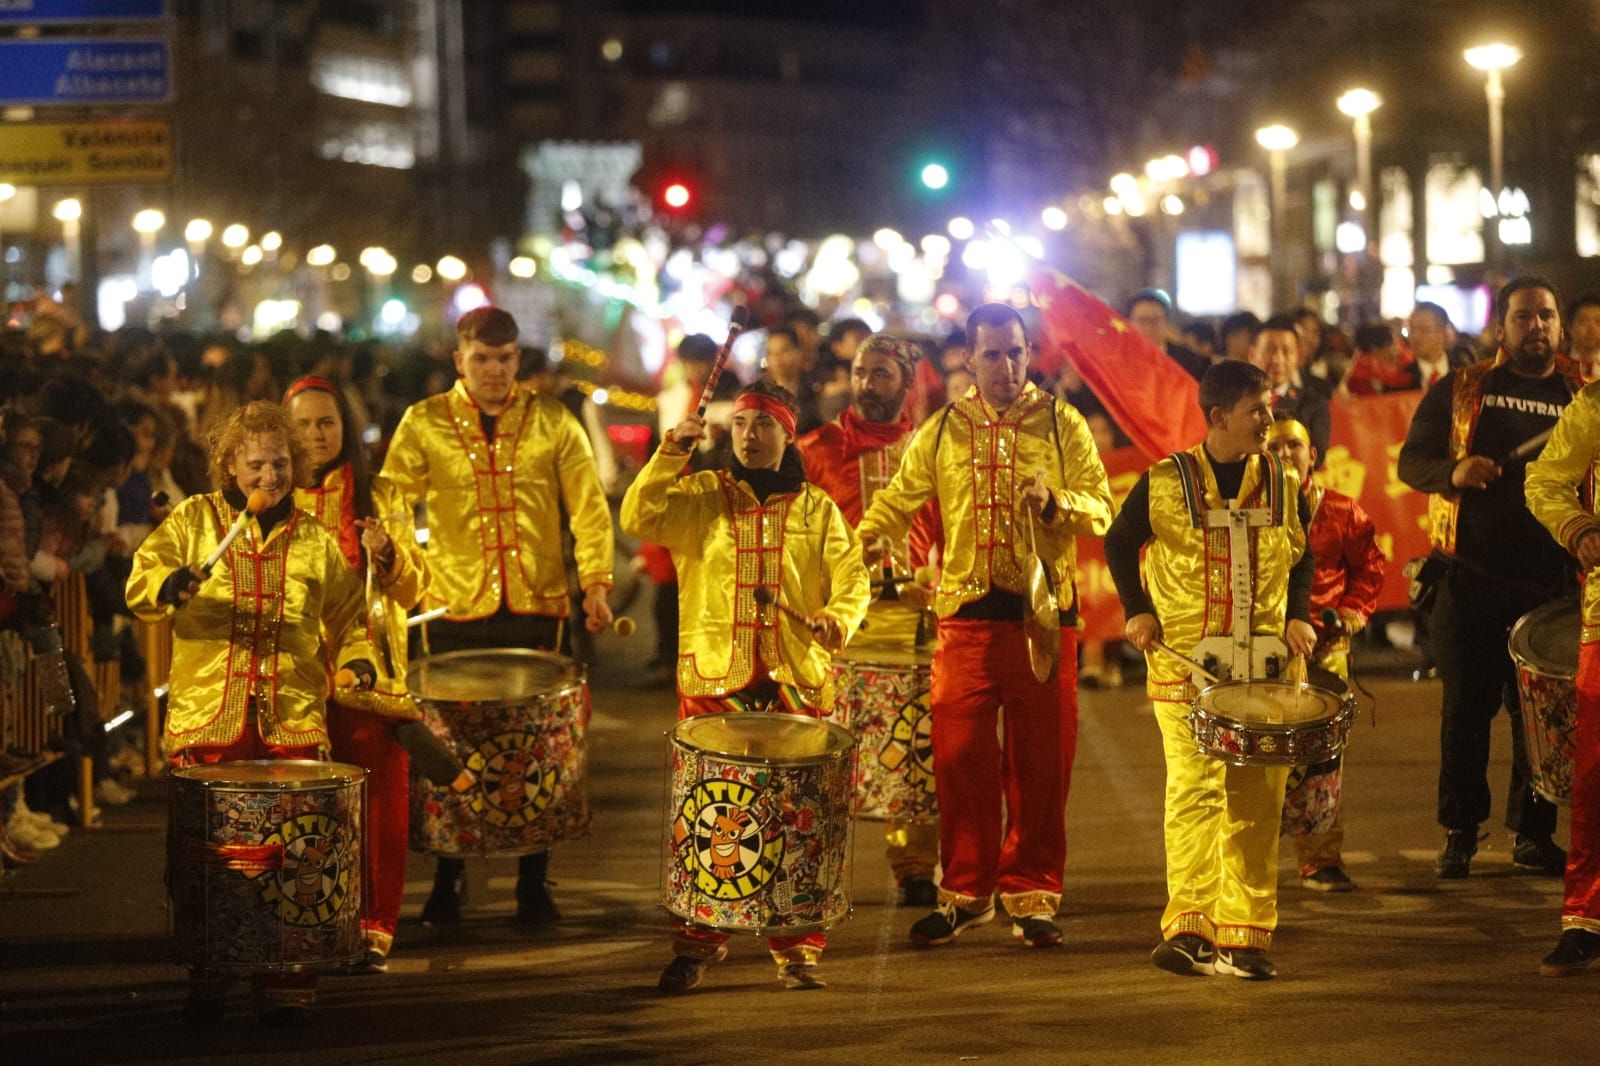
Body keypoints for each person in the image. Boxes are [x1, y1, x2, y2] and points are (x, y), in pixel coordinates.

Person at [858, 303, 1113, 951]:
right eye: (993, 354)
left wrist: (1058, 502)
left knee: (1041, 764)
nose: (1006, 365)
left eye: (1017, 352)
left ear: (1031, 355)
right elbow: (897, 501)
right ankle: (965, 892)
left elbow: (1102, 509)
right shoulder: (943, 429)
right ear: (969, 358)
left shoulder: (1062, 423)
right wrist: (857, 548)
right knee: (960, 760)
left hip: (1043, 617)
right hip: (964, 618)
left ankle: (1032, 891)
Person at [126, 401, 375, 1027]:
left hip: (290, 721)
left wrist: (359, 660)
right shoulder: (193, 521)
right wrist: (167, 585)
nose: (270, 477)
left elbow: (348, 617)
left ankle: (287, 977)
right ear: (230, 466)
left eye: (281, 464)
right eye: (257, 465)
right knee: (207, 857)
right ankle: (209, 969)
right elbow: (142, 581)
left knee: (295, 855)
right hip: (210, 721)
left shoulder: (315, 538)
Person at [621, 379, 869, 993]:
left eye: (764, 426)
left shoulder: (817, 509)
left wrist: (837, 618)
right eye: (740, 425)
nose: (750, 437)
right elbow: (637, 515)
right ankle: (701, 937)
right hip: (715, 676)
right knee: (714, 815)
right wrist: (669, 453)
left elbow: (851, 578)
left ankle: (799, 942)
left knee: (799, 814)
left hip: (794, 677)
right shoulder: (700, 495)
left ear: (788, 435)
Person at [380, 306, 614, 927]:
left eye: (504, 359)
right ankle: (450, 876)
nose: (492, 371)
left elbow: (587, 508)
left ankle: (533, 879)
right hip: (453, 607)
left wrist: (594, 582)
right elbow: (393, 502)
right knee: (454, 750)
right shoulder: (423, 423)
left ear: (519, 360)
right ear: (459, 360)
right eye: (480, 359)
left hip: (537, 607)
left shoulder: (554, 421)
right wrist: (400, 571)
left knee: (537, 748)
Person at [1104, 360, 1316, 980]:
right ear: (1220, 417)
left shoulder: (1280, 480)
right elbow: (1119, 543)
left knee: (1257, 796)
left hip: (1264, 670)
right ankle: (1190, 928)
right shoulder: (1164, 479)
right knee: (1194, 792)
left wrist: (1299, 615)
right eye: (1258, 410)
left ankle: (1245, 934)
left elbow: (1301, 556)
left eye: (1270, 408)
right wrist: (1137, 610)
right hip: (1186, 668)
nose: (1268, 421)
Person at [1398, 276, 1575, 880]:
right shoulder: (1465, 387)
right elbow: (1410, 462)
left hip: (1553, 586)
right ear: (1501, 328)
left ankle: (1533, 833)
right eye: (1524, 317)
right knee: (1466, 716)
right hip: (1470, 580)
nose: (1537, 327)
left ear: (1561, 324)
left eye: (1547, 316)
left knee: (1542, 721)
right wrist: (1454, 470)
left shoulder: (1582, 394)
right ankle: (1459, 832)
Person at [286, 376, 428, 972]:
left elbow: (417, 587)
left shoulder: (382, 492)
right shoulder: (268, 491)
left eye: (327, 424)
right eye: (303, 425)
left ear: (346, 428)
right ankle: (308, 921)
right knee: (303, 808)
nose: (316, 436)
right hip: (291, 680)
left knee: (379, 806)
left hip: (371, 679)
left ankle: (375, 924)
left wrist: (389, 554)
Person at [796, 333, 942, 906]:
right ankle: (815, 864)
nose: (866, 384)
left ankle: (913, 869)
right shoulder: (815, 448)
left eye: (881, 374)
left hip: (913, 623)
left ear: (906, 384)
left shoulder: (929, 448)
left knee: (912, 754)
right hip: (839, 628)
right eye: (860, 372)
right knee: (830, 751)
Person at [1266, 417, 1385, 893]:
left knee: (1323, 763)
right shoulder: (1245, 509)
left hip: (1325, 651)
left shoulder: (1340, 510)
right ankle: (1248, 861)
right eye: (1275, 445)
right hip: (1263, 652)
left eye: (1295, 444)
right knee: (1260, 759)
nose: (1286, 452)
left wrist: (1351, 612)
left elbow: (1370, 566)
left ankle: (1320, 860)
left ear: (1312, 455)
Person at [1526, 370, 1600, 974]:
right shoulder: (1595, 405)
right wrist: (1578, 528)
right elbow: (1546, 480)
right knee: (1595, 777)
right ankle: (1585, 918)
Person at [1249, 314, 1331, 467]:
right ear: (1252, 354)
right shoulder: (1235, 400)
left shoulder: (1312, 403)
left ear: (1298, 356)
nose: (1277, 359)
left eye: (1286, 351)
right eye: (1270, 350)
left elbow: (1318, 457)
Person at [1127, 288, 1210, 381]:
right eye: (1142, 320)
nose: (1148, 327)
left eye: (1155, 320)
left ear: (1166, 322)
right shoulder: (1120, 360)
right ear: (1130, 323)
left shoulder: (1189, 362)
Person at [1409, 302, 1474, 390]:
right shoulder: (1399, 380)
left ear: (1443, 332)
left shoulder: (1465, 374)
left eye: (1424, 329)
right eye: (1412, 329)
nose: (1415, 336)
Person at [1343, 323, 1420, 395]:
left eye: (1396, 342)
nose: (1397, 348)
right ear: (1374, 349)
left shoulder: (1409, 361)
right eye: (1392, 344)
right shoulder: (1361, 374)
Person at [1567, 293, 1600, 385]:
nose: (1592, 328)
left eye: (1598, 322)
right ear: (1570, 327)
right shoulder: (1555, 365)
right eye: (1583, 321)